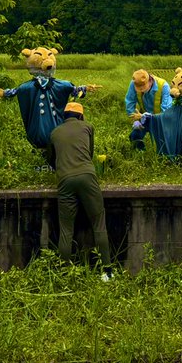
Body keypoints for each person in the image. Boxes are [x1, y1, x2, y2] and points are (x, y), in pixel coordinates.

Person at [46, 101, 113, 279]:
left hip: (65, 180)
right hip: (87, 176)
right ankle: (107, 272)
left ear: (64, 116)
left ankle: (64, 273)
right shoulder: (87, 127)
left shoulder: (54, 133)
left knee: (66, 229)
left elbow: (51, 160)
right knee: (98, 224)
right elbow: (89, 154)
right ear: (81, 116)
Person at [0, 47, 101, 153]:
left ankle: (55, 152)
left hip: (55, 122)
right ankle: (42, 154)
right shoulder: (28, 87)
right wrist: (3, 93)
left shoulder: (60, 85)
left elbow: (74, 90)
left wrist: (85, 88)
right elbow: (16, 91)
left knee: (56, 136)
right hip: (37, 124)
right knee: (39, 137)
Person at [125, 69, 172, 150]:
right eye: (138, 88)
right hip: (142, 118)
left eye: (143, 88)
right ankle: (140, 153)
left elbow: (166, 112)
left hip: (160, 120)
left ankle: (164, 157)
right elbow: (130, 101)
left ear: (150, 81)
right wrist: (135, 119)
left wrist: (146, 116)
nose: (141, 90)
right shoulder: (134, 83)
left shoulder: (164, 86)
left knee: (163, 143)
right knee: (135, 136)